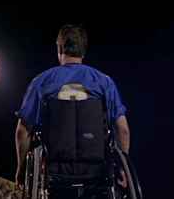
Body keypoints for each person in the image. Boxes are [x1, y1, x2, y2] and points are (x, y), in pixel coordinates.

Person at [14, 24, 130, 187]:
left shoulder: (43, 81)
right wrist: (122, 169)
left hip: (55, 168)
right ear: (83, 50)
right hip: (96, 170)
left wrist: (22, 169)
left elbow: (23, 131)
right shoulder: (104, 82)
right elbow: (122, 129)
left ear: (60, 48)